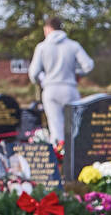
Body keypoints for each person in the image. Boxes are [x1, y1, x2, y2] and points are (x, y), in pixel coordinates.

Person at [28, 16, 94, 146]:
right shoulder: (73, 45)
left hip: (51, 89)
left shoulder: (42, 47)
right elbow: (88, 65)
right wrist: (77, 73)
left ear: (47, 28)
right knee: (74, 126)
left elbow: (33, 73)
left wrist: (42, 79)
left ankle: (59, 157)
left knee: (55, 126)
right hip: (70, 88)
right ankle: (75, 155)